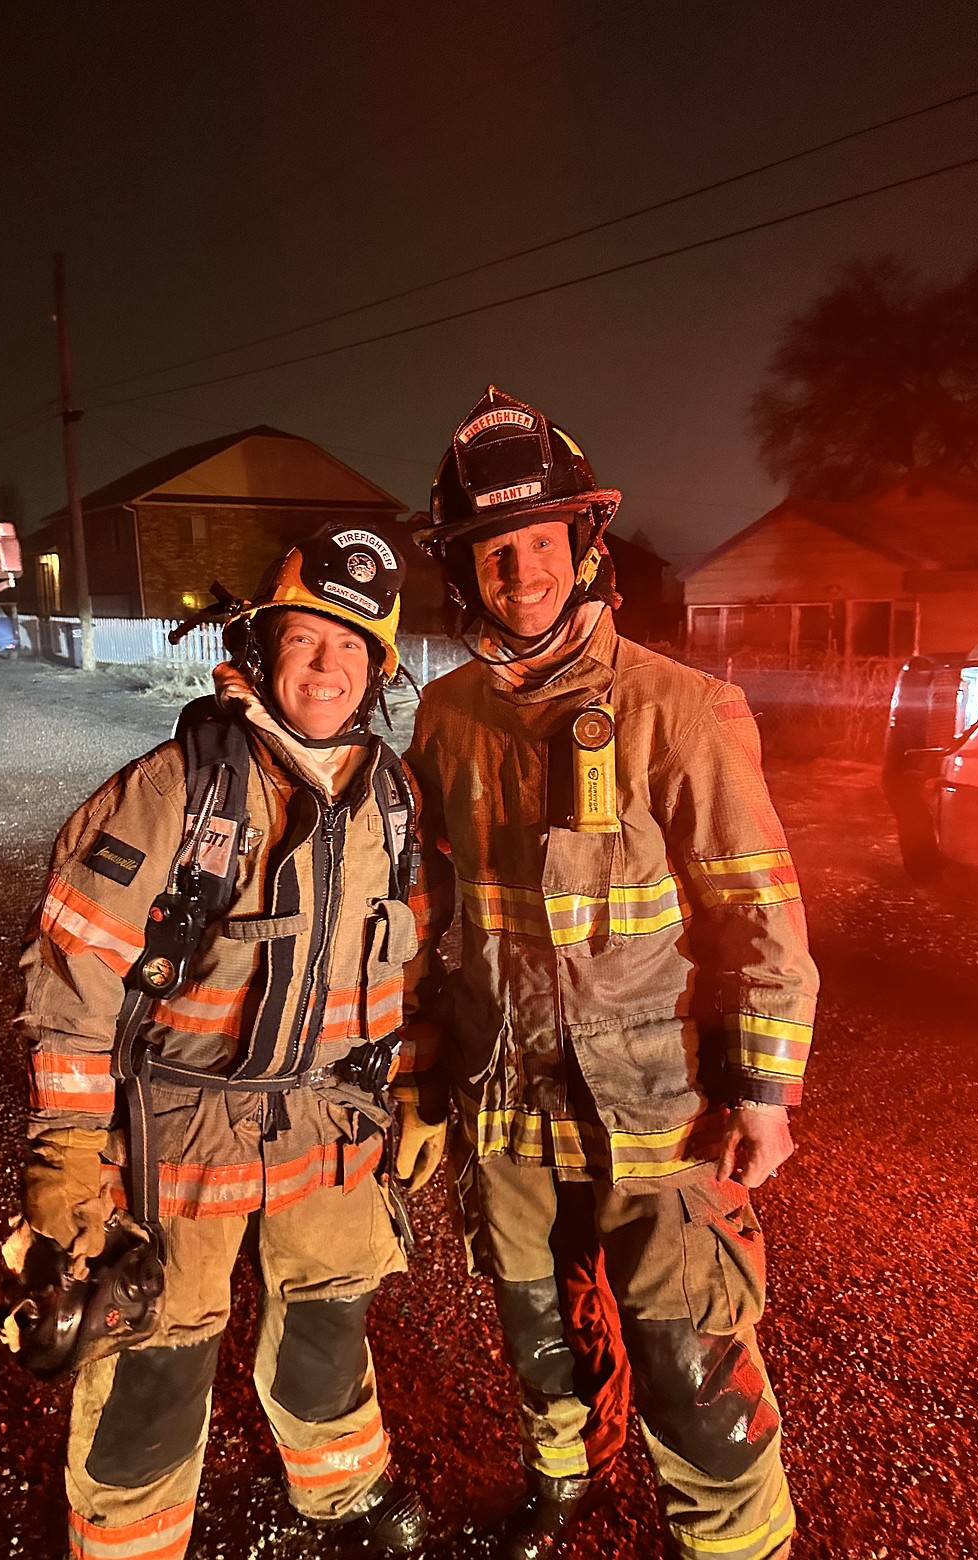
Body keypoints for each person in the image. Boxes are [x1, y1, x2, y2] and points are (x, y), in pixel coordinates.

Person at [402, 386, 819, 1560]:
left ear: (583, 546)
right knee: (538, 1329)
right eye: (495, 552)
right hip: (510, 1103)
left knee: (694, 1359)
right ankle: (563, 1483)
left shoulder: (685, 711)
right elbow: (435, 915)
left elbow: (760, 913)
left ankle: (737, 1546)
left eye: (540, 542)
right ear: (466, 570)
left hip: (659, 1113)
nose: (520, 573)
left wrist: (764, 1091)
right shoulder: (444, 718)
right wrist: (428, 1073)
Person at [12, 523, 443, 1559]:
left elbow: (408, 970)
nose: (326, 667)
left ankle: (338, 1491)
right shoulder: (174, 791)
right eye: (305, 638)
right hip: (180, 1132)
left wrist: (417, 1085)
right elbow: (72, 979)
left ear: (380, 669)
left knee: (332, 1316)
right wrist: (69, 1153)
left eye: (353, 649)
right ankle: (126, 1543)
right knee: (159, 1350)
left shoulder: (393, 800)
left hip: (333, 1121)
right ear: (261, 647)